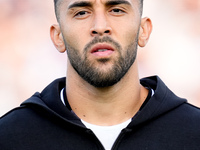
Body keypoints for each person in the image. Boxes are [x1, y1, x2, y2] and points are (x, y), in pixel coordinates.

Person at [0, 0, 200, 149]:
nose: (100, 26)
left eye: (116, 10)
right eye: (81, 12)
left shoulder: (193, 133)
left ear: (143, 30)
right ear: (58, 37)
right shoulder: (10, 136)